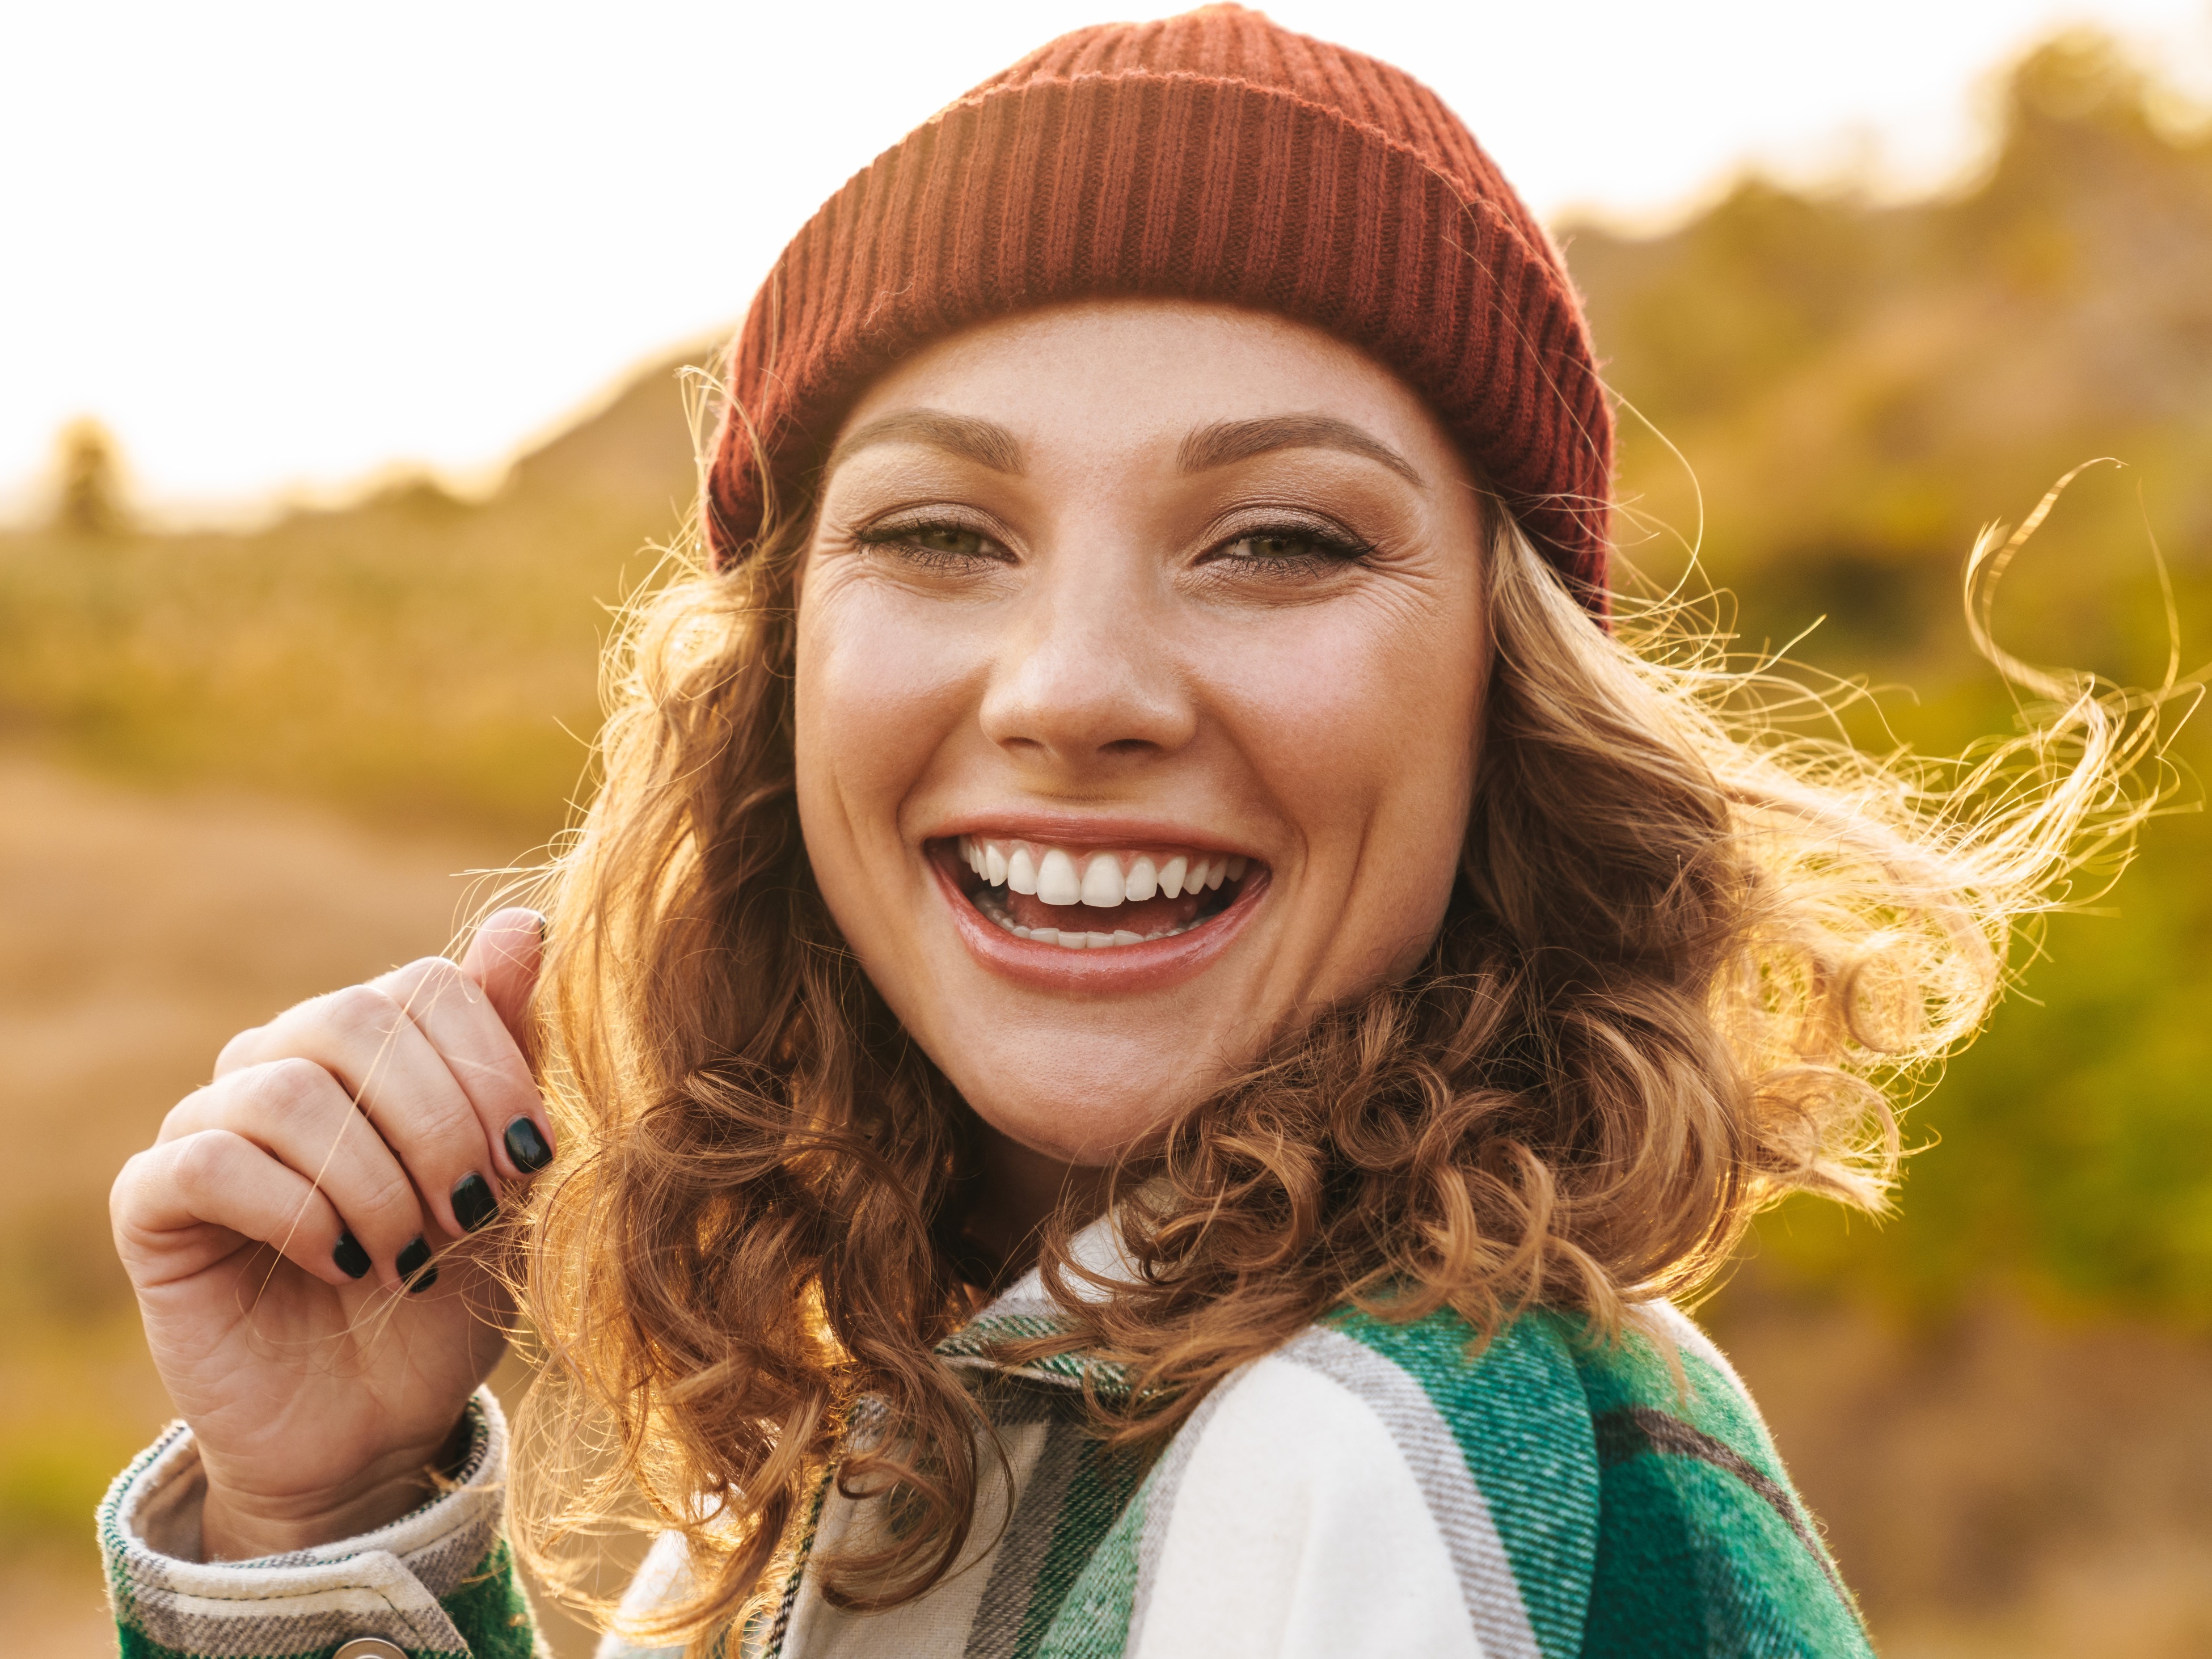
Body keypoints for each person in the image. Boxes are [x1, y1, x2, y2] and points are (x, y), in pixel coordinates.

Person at [98, 9, 2140, 1657]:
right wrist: (318, 1516)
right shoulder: (919, 1421)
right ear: (778, 685)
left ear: (1506, 704)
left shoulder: (1380, 1454)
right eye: (936, 534)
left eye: (1276, 541)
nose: (1075, 687)